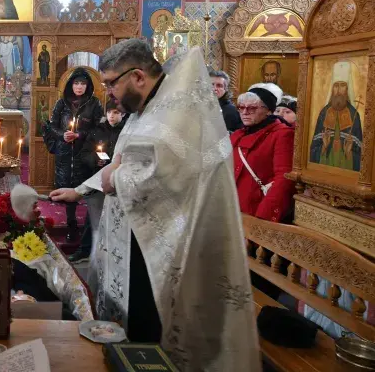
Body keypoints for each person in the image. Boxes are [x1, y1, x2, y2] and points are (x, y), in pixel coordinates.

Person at [50, 39, 259, 370]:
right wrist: (80, 189)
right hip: (135, 238)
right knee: (131, 324)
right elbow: (123, 161)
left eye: (110, 83)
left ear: (136, 76)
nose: (108, 93)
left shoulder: (177, 110)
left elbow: (169, 175)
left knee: (151, 327)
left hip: (164, 243)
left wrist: (113, 179)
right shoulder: (144, 109)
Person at [45, 68, 103, 242]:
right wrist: (62, 135)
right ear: (71, 85)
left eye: (83, 84)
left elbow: (99, 128)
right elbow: (51, 126)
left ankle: (90, 229)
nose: (79, 87)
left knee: (87, 189)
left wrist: (80, 135)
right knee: (68, 188)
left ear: (88, 86)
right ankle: (72, 226)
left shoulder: (95, 104)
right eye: (76, 83)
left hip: (84, 153)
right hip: (65, 153)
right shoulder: (61, 103)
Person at [69, 101, 124, 266]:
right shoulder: (97, 131)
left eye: (116, 113)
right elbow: (84, 153)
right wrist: (95, 160)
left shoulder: (126, 132)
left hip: (119, 181)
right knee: (91, 216)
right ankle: (85, 251)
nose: (112, 116)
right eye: (109, 113)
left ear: (122, 114)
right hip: (98, 179)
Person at [231, 83, 295, 222]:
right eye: (241, 107)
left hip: (256, 212)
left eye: (252, 108)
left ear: (269, 111)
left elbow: (284, 179)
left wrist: (262, 219)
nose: (245, 112)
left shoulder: (282, 134)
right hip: (233, 210)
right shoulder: (238, 134)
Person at [309, 61, 363, 171]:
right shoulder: (324, 113)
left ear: (347, 89)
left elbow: (361, 155)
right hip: (325, 167)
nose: (338, 91)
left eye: (342, 85)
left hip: (346, 169)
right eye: (336, 86)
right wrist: (324, 147)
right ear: (332, 88)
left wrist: (349, 153)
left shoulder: (354, 115)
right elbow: (313, 149)